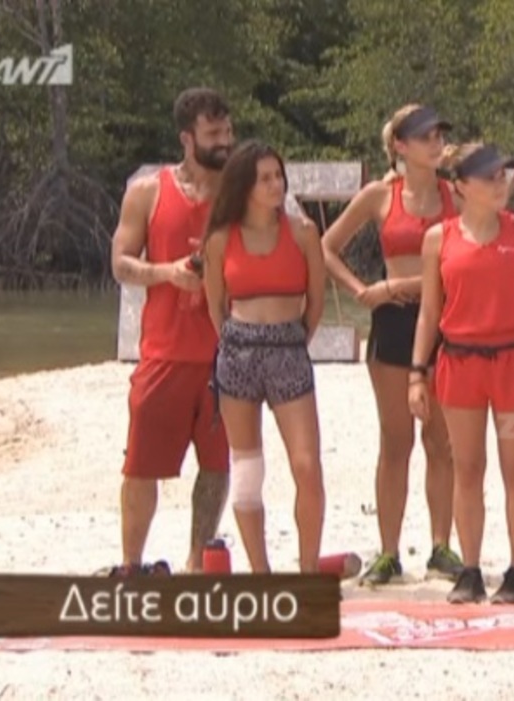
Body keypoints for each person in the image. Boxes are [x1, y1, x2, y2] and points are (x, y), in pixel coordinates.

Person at [409, 142, 514, 605]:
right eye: (489, 176)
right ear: (461, 186)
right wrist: (416, 374)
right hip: (460, 362)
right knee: (467, 468)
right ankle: (471, 569)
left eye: (502, 175)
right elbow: (429, 312)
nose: (500, 183)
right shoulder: (438, 238)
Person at [321, 104, 465, 585]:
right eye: (424, 136)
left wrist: (397, 285)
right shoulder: (379, 195)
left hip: (443, 320)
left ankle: (441, 546)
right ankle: (388, 550)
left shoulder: (455, 194)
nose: (435, 143)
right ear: (400, 145)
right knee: (396, 439)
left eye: (438, 134)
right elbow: (326, 247)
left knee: (440, 440)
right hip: (392, 322)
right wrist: (361, 290)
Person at [108, 87, 235, 576]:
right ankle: (131, 564)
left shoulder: (241, 190)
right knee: (141, 465)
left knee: (218, 464)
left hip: (225, 353)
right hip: (163, 351)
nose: (224, 141)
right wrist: (168, 272)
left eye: (228, 131)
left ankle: (197, 563)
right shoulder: (148, 191)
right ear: (187, 138)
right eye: (213, 133)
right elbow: (120, 263)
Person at [201, 139, 327, 574]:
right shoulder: (221, 239)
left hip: (289, 349)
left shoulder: (303, 232)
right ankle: (261, 572)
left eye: (278, 176)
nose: (276, 185)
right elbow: (215, 306)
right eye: (265, 179)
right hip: (238, 353)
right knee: (247, 469)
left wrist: (294, 340)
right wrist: (236, 342)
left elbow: (316, 302)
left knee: (306, 466)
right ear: (244, 186)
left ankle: (308, 571)